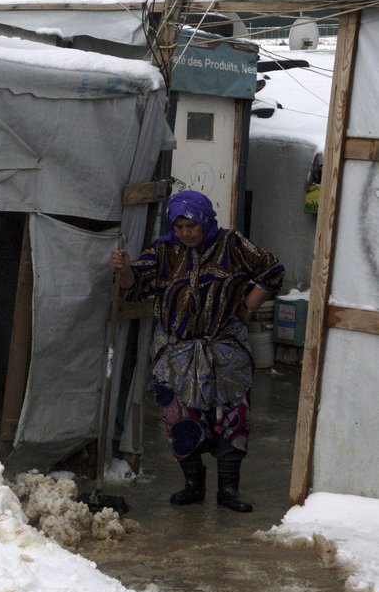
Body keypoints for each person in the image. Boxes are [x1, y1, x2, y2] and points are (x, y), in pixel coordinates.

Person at [109, 190, 284, 512]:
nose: (186, 233)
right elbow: (133, 285)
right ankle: (193, 483)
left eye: (191, 226)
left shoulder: (232, 245)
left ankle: (228, 489)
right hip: (176, 351)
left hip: (224, 348)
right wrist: (124, 268)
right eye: (179, 227)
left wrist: (247, 307)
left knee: (233, 417)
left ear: (205, 221)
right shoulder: (163, 250)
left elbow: (272, 271)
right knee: (178, 417)